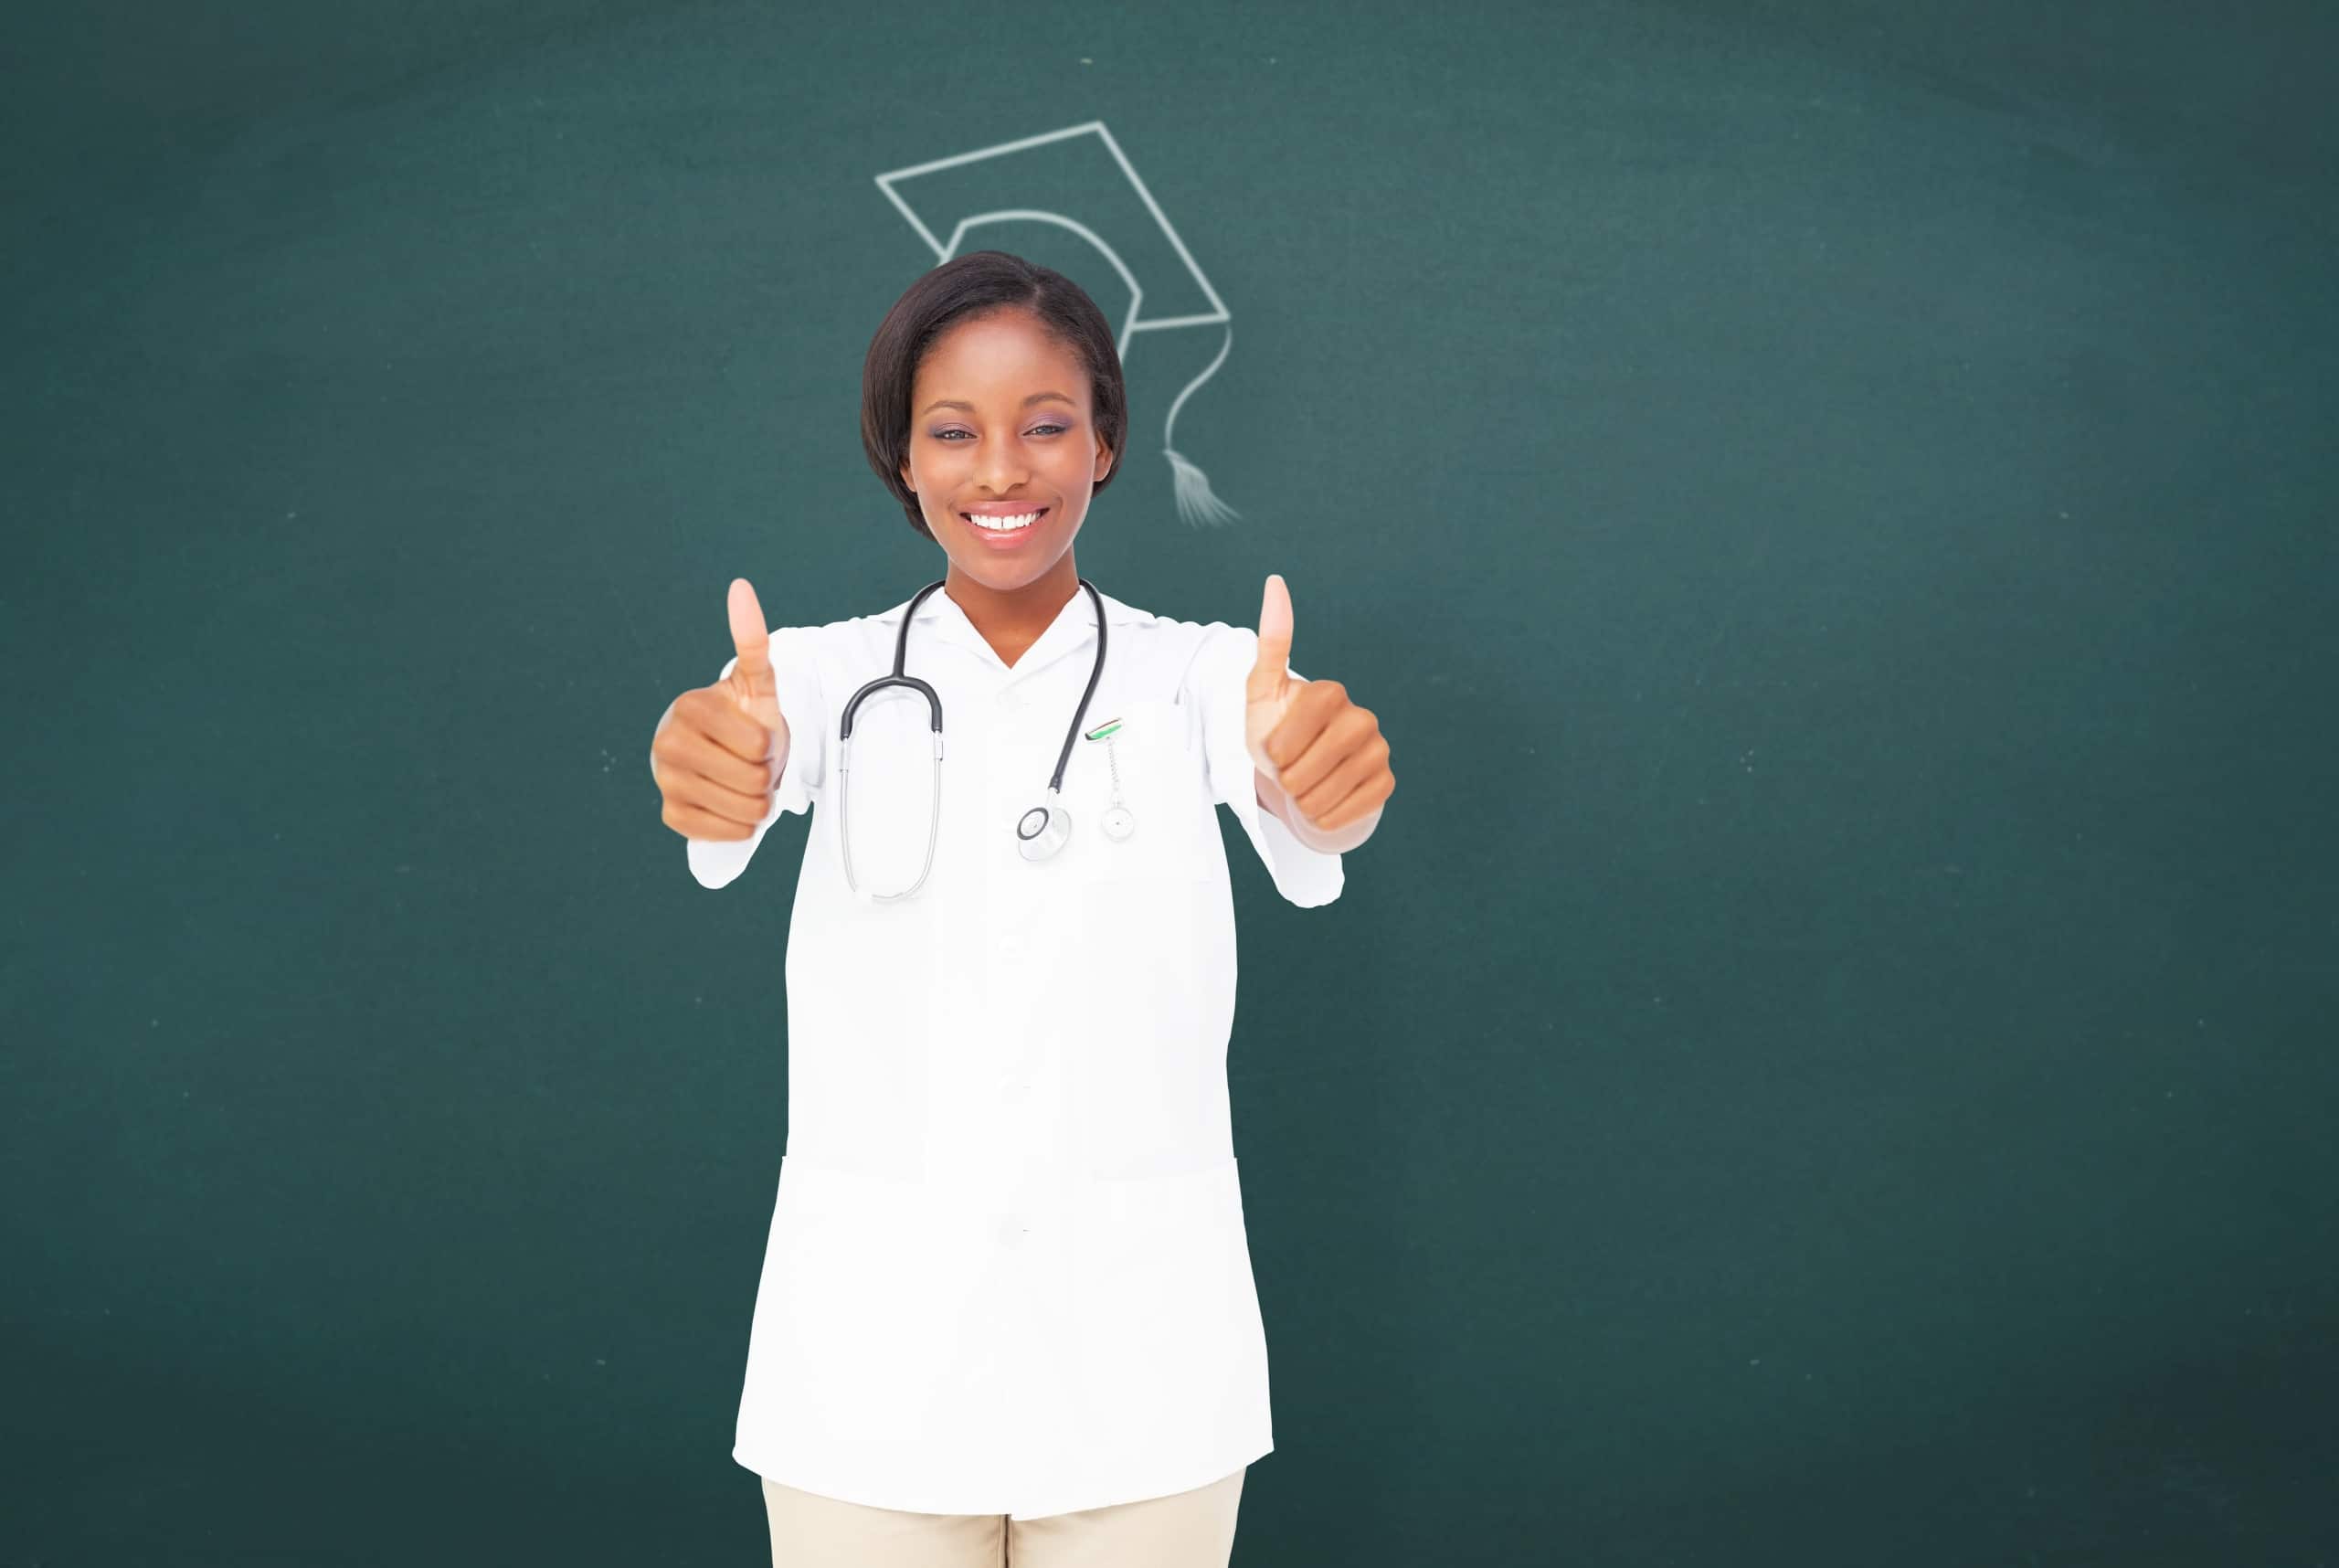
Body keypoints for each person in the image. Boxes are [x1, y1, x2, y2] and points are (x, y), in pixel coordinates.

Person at [648, 251, 1394, 1567]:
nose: (1002, 470)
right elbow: (729, 769)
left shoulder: (1201, 677)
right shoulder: (815, 680)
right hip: (873, 1364)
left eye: (1047, 425)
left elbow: (1306, 790)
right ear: (903, 459)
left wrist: (1327, 781)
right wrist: (709, 760)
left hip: (1140, 1362)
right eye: (954, 432)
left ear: (1105, 444)